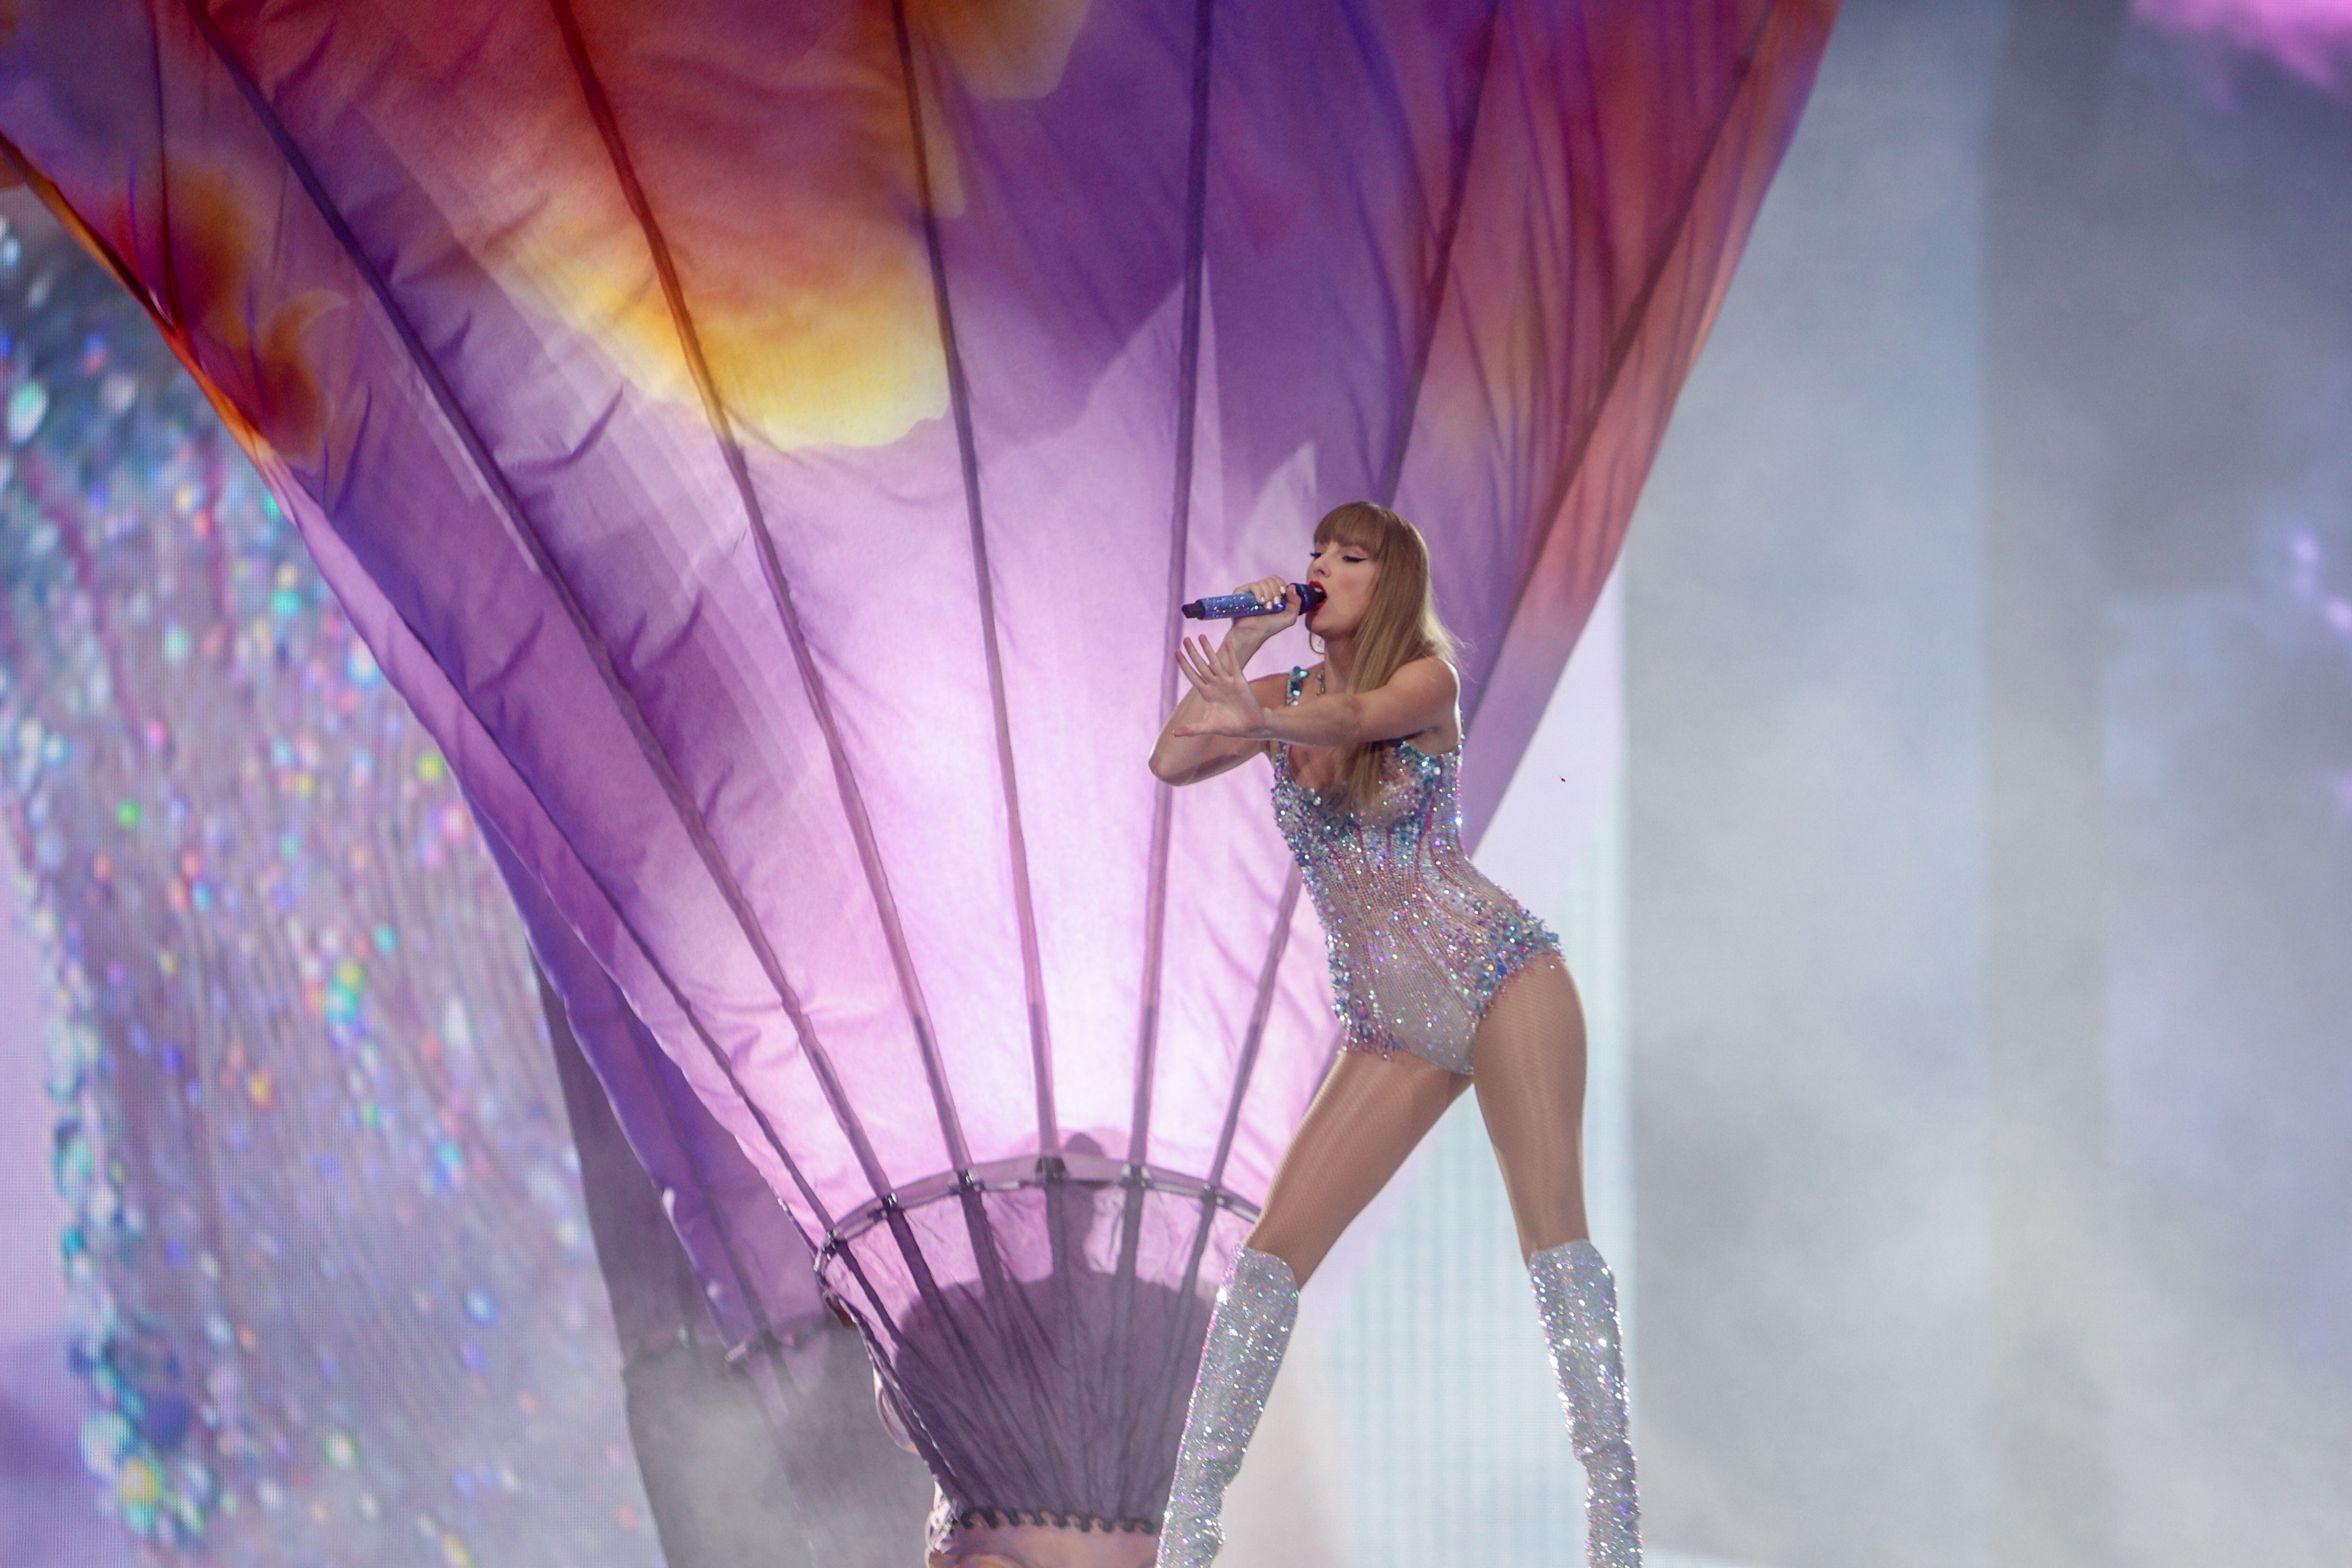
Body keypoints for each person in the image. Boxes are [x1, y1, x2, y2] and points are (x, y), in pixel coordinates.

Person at [1145, 501, 1640, 1568]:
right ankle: (1184, 1543)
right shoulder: (1276, 689)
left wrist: (1262, 714)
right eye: (1316, 549)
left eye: (1348, 554)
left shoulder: (1423, 680)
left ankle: (1616, 1534)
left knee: (1551, 1236)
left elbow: (1345, 721)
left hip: (1499, 973)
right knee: (1266, 1265)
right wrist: (1239, 652)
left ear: (1391, 580)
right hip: (1387, 1025)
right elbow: (1172, 762)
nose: (1320, 564)